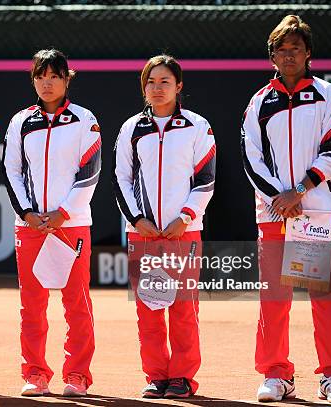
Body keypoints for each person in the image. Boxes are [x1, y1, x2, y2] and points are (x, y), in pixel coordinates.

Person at [241, 15, 331, 403]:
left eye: (296, 49)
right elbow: (251, 157)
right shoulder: (258, 102)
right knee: (274, 300)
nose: (289, 56)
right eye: (281, 50)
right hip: (274, 215)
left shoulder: (329, 95)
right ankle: (276, 375)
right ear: (272, 55)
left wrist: (300, 191)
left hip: (316, 213)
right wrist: (280, 198)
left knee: (325, 299)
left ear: (308, 53)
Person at [113, 55, 216, 399]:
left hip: (183, 231)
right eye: (151, 82)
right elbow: (122, 179)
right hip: (142, 233)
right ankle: (157, 375)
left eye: (165, 82)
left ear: (179, 86)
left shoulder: (197, 126)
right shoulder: (131, 128)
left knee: (183, 307)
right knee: (150, 307)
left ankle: (182, 376)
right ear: (143, 87)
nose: (157, 89)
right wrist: (137, 220)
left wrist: (185, 217)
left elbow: (205, 178)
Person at [3, 49, 101, 397]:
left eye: (54, 76)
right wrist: (28, 213)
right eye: (41, 76)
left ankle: (77, 375)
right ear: (33, 79)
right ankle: (35, 374)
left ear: (66, 79)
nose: (47, 82)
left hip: (70, 224)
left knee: (76, 303)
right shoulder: (20, 122)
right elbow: (12, 170)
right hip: (29, 225)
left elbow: (89, 172)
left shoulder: (84, 120)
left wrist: (64, 212)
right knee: (32, 304)